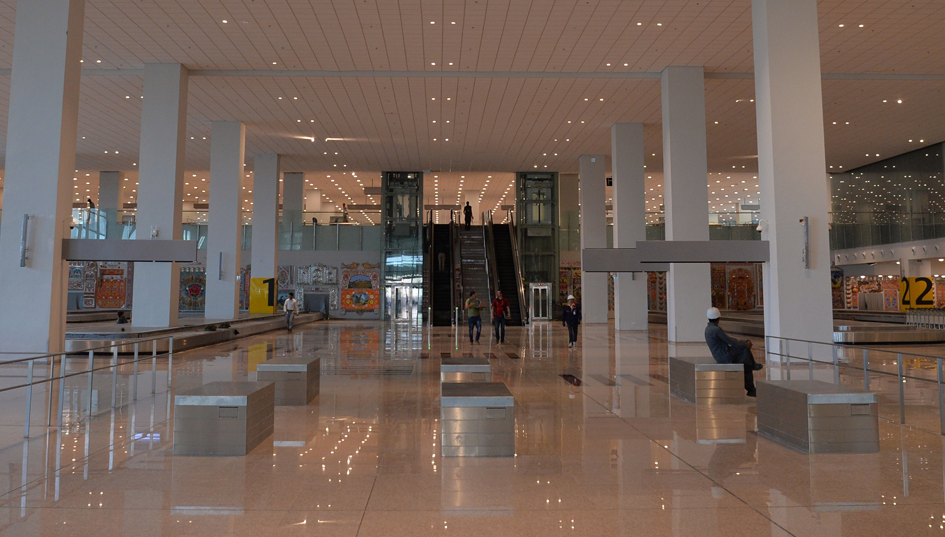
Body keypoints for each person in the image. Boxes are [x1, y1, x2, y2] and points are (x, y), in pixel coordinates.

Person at [705, 307, 763, 397]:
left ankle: (752, 377)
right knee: (745, 353)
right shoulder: (716, 330)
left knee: (745, 356)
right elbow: (730, 340)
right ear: (718, 318)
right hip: (725, 356)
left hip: (720, 356)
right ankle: (751, 385)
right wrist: (744, 344)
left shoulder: (708, 329)